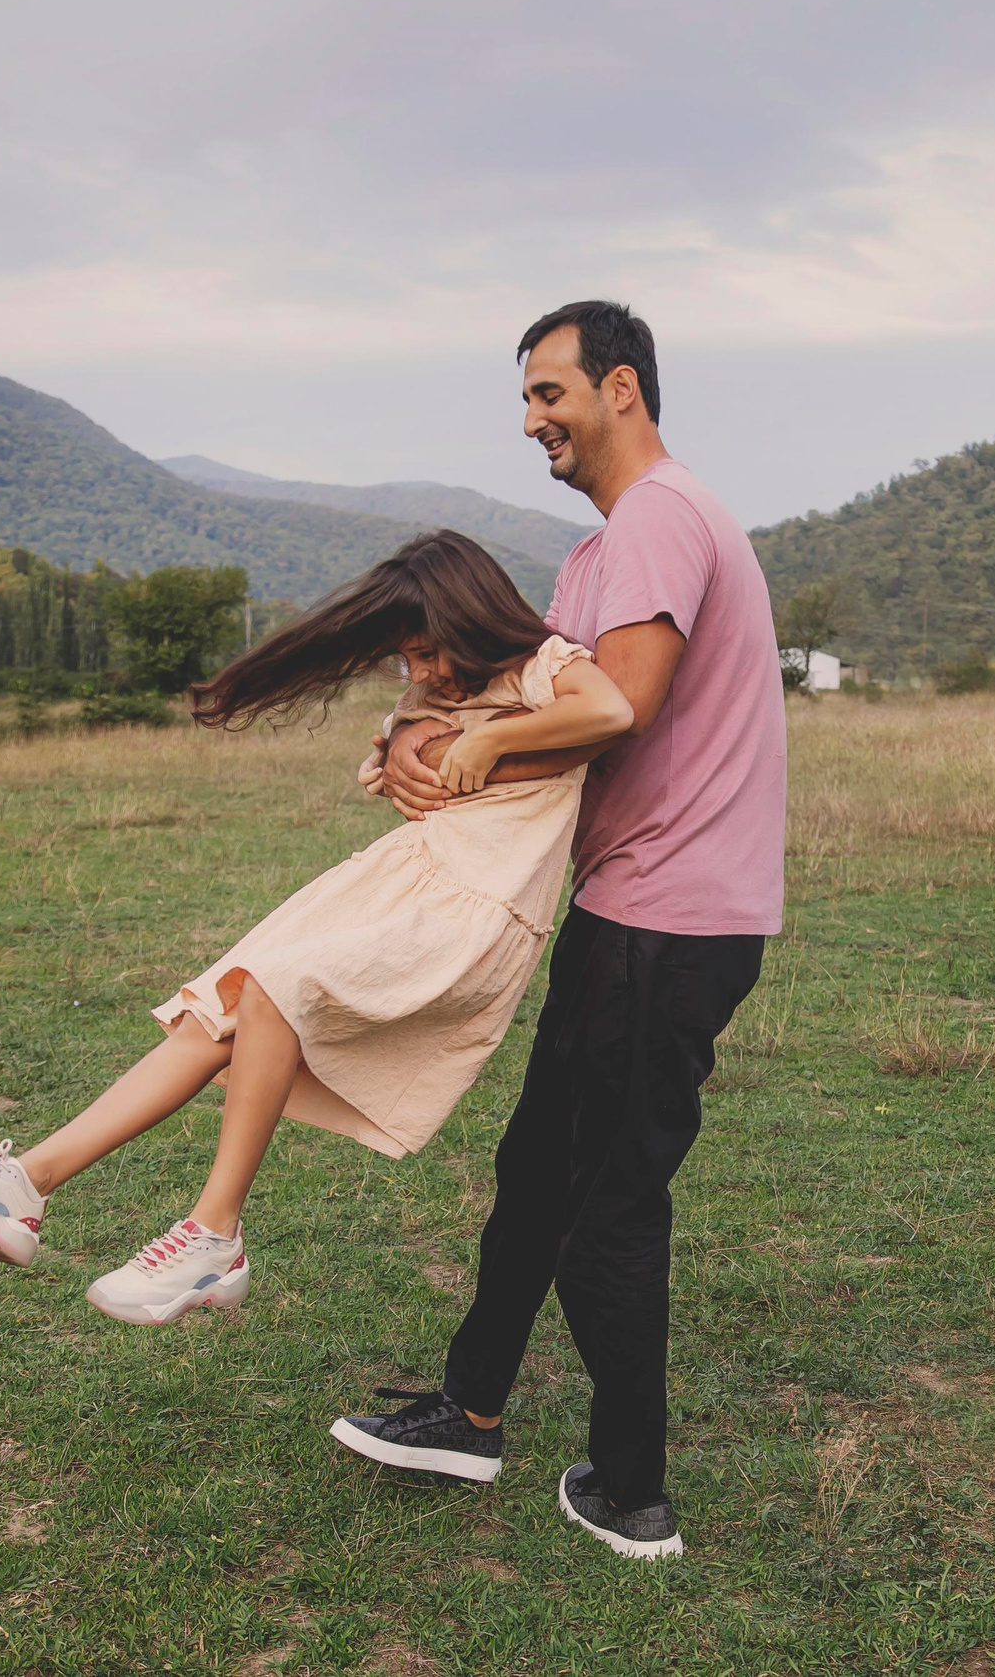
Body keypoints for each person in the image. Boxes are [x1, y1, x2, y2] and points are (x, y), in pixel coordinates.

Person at [0, 532, 632, 1326]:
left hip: (469, 907)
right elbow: (402, 755)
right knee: (218, 1010)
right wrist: (404, 742)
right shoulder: (435, 697)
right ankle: (22, 1186)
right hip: (398, 880)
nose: (420, 672)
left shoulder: (541, 665)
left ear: (471, 617)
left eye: (425, 651)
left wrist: (488, 736)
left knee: (276, 990)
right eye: (406, 658)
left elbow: (613, 708)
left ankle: (214, 1235)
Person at [328, 301, 785, 1563]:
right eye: (525, 398)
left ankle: (632, 1494)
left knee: (609, 1208)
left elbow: (621, 705)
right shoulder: (603, 553)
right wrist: (412, 732)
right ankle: (469, 1412)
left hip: (668, 919)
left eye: (549, 392)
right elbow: (515, 688)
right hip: (624, 910)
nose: (532, 419)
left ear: (620, 388)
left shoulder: (657, 521)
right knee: (536, 1173)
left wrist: (470, 751)